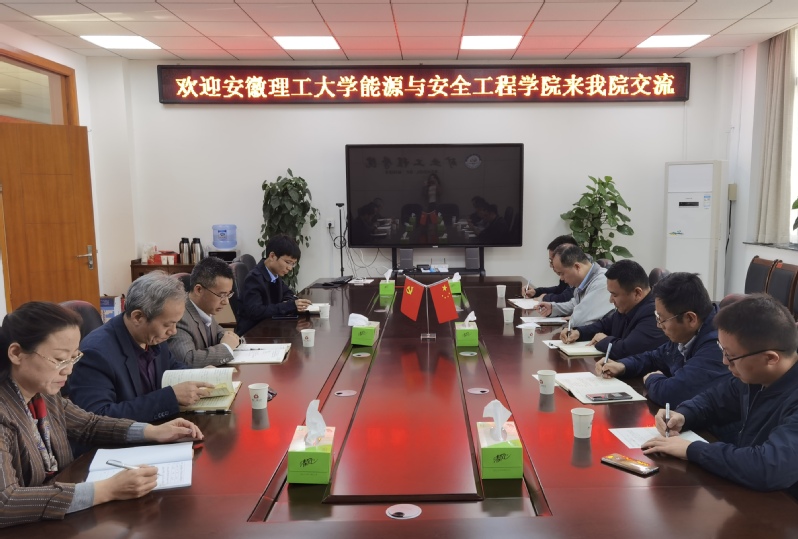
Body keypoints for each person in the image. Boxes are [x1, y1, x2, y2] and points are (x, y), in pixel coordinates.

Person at [0, 301, 204, 528]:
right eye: (59, 360)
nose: (68, 370)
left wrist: (152, 431)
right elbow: (5, 502)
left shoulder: (43, 393)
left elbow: (89, 424)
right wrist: (106, 490)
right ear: (16, 353)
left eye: (73, 358)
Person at [642, 294, 798, 499]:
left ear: (770, 358)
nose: (724, 362)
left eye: (731, 356)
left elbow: (768, 467)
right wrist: (684, 415)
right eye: (721, 350)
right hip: (750, 494)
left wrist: (692, 450)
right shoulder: (754, 376)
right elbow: (714, 401)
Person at [70, 272, 215, 423]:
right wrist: (169, 398)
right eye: (167, 324)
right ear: (138, 317)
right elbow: (97, 417)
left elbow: (171, 367)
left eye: (176, 323)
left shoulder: (152, 336)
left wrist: (199, 375)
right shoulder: (96, 353)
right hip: (126, 436)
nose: (173, 331)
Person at [596, 272, 731, 407]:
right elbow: (655, 357)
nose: (658, 325)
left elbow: (673, 394)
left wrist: (652, 378)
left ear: (690, 319)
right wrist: (623, 366)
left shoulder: (718, 345)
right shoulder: (687, 333)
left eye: (662, 319)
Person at [560, 259, 667, 359]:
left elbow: (626, 350)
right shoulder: (627, 307)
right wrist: (578, 332)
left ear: (637, 293)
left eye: (614, 295)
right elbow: (604, 325)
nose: (610, 300)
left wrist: (604, 340)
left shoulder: (654, 313)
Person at [168, 256, 242, 367]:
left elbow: (219, 333)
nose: (226, 302)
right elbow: (187, 360)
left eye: (228, 294)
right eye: (221, 295)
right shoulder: (180, 317)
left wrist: (231, 339)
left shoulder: (205, 309)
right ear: (199, 290)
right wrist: (226, 348)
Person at [236, 234, 311, 335]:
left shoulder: (274, 274)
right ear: (272, 256)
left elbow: (288, 293)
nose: (290, 268)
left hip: (269, 328)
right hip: (253, 334)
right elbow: (256, 311)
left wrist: (290, 302)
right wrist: (289, 306)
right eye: (288, 262)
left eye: (293, 264)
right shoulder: (254, 278)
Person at [537, 245, 612, 327]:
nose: (561, 278)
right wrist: (553, 308)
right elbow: (575, 304)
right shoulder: (583, 282)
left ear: (577, 267)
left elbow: (579, 320)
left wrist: (573, 318)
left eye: (562, 273)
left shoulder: (602, 282)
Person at [523, 235, 577, 303]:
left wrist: (544, 298)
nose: (551, 265)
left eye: (552, 261)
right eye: (550, 261)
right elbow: (560, 290)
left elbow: (566, 298)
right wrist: (536, 292)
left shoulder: (578, 273)